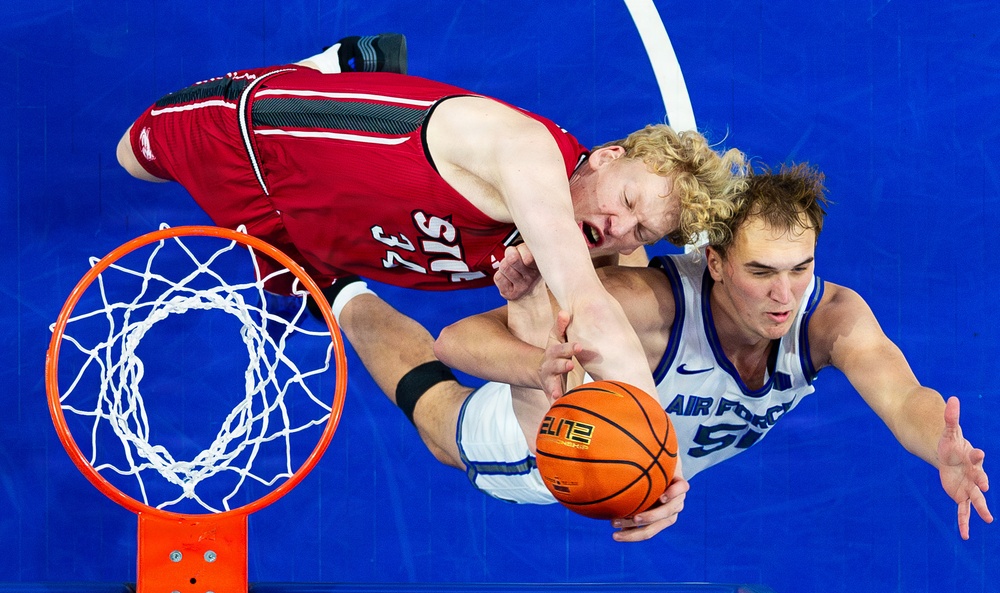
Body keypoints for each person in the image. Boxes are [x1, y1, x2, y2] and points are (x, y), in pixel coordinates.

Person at [333, 163, 991, 543]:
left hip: (641, 445)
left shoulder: (831, 319)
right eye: (762, 272)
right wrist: (536, 370)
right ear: (715, 260)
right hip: (563, 443)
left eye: (801, 268)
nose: (785, 295)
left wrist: (940, 442)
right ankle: (340, 292)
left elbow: (903, 395)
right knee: (438, 419)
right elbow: (459, 341)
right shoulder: (653, 305)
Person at [115, 34, 747, 410]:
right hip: (250, 142)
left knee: (290, 308)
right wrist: (654, 447)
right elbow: (590, 309)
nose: (619, 228)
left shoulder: (598, 243)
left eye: (641, 230)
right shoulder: (525, 154)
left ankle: (320, 256)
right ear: (608, 154)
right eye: (630, 201)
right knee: (132, 159)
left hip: (324, 233)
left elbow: (581, 339)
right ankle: (329, 68)